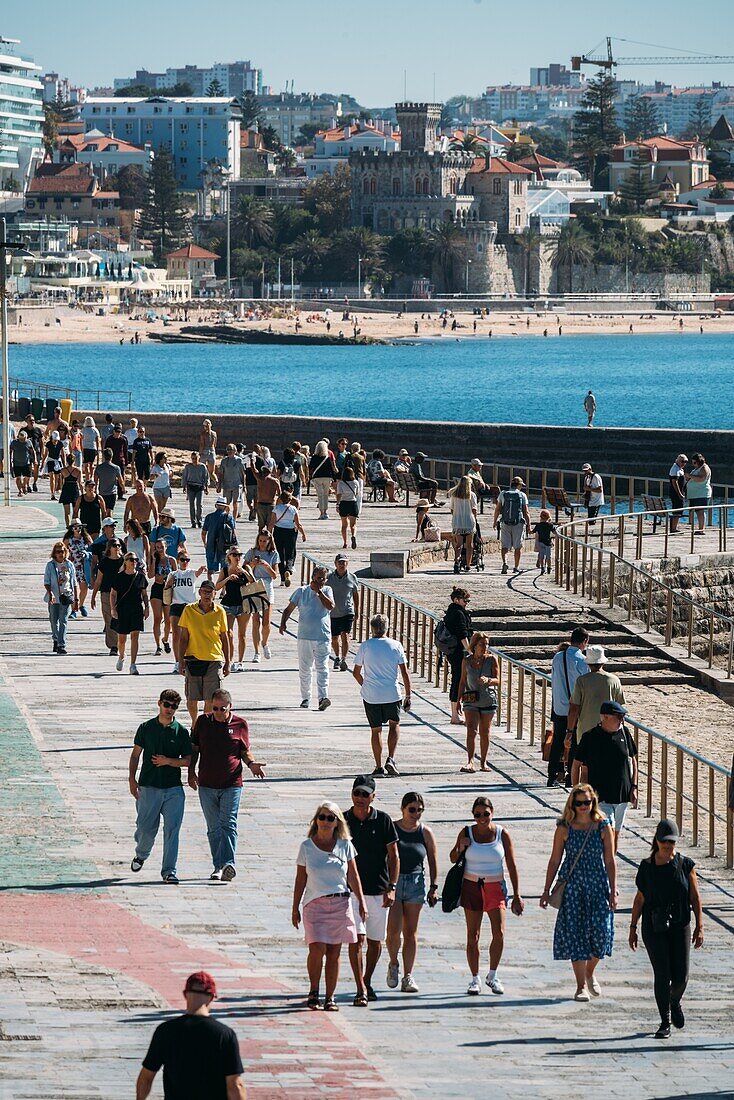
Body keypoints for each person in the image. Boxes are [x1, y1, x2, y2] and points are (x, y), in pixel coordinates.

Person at [540, 784, 617, 1001]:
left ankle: (590, 971)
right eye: (579, 803)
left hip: (598, 884)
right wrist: (546, 890)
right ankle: (580, 985)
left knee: (602, 932)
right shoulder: (564, 827)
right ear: (572, 804)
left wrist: (613, 889)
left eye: (587, 802)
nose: (583, 806)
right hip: (573, 886)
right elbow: (555, 859)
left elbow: (610, 860)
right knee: (576, 934)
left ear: (593, 802)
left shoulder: (603, 826)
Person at [629, 819, 704, 1039]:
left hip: (680, 923)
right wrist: (633, 927)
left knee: (681, 976)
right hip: (654, 925)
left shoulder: (686, 865)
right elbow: (639, 898)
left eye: (671, 842)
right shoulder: (647, 867)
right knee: (662, 974)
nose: (667, 846)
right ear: (657, 841)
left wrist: (700, 925)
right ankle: (665, 1021)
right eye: (664, 842)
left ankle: (674, 1000)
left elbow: (695, 897)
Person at [292, 802, 366, 1011]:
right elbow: (300, 880)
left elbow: (353, 876)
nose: (325, 821)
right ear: (316, 820)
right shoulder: (306, 847)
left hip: (340, 903)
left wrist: (361, 902)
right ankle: (314, 991)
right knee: (316, 949)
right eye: (322, 817)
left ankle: (330, 997)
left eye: (330, 818)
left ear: (337, 822)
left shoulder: (345, 845)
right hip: (314, 905)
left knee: (334, 953)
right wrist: (294, 907)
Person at [189, 688, 265, 882]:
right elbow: (195, 749)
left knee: (228, 824)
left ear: (230, 706)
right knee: (213, 828)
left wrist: (252, 764)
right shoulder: (203, 722)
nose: (219, 712)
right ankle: (218, 866)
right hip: (206, 783)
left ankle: (228, 863)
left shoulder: (240, 724)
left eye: (223, 709)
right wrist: (190, 772)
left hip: (232, 783)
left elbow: (244, 751)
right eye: (215, 708)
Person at [451, 796, 524, 996]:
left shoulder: (502, 834)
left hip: (495, 887)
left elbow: (512, 864)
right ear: (473, 815)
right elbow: (452, 857)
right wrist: (461, 847)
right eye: (477, 815)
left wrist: (517, 894)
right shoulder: (466, 832)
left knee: (499, 932)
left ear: (492, 813)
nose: (482, 818)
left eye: (485, 814)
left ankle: (492, 975)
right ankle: (475, 978)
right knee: (472, 935)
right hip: (471, 886)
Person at [137, 969, 245, 1099]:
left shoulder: (165, 1031)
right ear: (211, 997)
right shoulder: (224, 1034)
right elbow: (235, 1085)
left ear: (185, 995)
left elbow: (146, 1078)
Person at [345, 775, 400, 1005]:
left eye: (365, 794)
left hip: (378, 890)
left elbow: (394, 856)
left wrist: (392, 887)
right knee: (356, 939)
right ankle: (360, 988)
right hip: (350, 892)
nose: (360, 798)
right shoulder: (342, 819)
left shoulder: (383, 820)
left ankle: (366, 980)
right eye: (357, 793)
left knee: (375, 941)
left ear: (373, 797)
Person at [128, 689, 192, 885]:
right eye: (167, 705)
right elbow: (135, 755)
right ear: (159, 703)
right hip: (149, 787)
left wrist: (169, 762)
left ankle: (169, 871)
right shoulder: (146, 727)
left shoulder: (181, 731)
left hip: (173, 789)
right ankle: (141, 854)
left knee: (172, 830)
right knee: (146, 829)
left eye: (174, 706)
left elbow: (188, 761)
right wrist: (132, 779)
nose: (169, 709)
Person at [385, 792, 438, 994]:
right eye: (412, 810)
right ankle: (393, 962)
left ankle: (408, 975)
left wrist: (434, 887)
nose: (416, 814)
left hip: (416, 883)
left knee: (410, 932)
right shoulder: (393, 828)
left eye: (419, 810)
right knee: (393, 932)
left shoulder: (425, 832)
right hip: (395, 883)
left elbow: (432, 860)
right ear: (403, 809)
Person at [573, 700, 638, 850]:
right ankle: (605, 866)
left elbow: (633, 760)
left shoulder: (624, 732)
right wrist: (577, 792)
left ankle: (609, 869)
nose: (622, 720)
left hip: (622, 796)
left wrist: (634, 787)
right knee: (606, 833)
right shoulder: (590, 737)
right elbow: (576, 765)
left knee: (615, 837)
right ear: (605, 718)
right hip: (600, 797)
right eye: (619, 716)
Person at [353, 613, 411, 777]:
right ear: (387, 628)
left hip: (371, 694)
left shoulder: (366, 646)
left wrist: (366, 684)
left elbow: (356, 672)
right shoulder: (396, 645)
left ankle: (378, 766)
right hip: (391, 692)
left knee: (375, 730)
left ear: (372, 628)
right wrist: (408, 695)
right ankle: (391, 758)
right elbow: (404, 673)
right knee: (394, 724)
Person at [566, 644, 626, 779]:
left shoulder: (582, 681)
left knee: (585, 768)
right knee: (606, 767)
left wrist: (569, 731)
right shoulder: (614, 680)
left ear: (588, 663)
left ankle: (585, 797)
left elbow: (574, 708)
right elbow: (620, 707)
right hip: (609, 729)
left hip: (586, 730)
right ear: (603, 662)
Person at [279, 565, 334, 710]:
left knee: (322, 668)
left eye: (323, 578)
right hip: (305, 636)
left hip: (322, 636)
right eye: (319, 578)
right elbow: (288, 609)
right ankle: (305, 697)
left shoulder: (327, 591)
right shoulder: (301, 591)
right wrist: (283, 623)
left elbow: (330, 606)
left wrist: (320, 592)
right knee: (305, 668)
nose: (321, 581)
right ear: (313, 577)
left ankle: (323, 697)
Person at [178, 580, 231, 724]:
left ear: (215, 594)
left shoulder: (219, 611)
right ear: (199, 592)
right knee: (192, 698)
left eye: (210, 592)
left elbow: (225, 637)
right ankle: (195, 724)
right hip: (193, 658)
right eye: (204, 591)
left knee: (210, 698)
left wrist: (228, 662)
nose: (207, 595)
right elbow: (183, 638)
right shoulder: (189, 610)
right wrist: (180, 660)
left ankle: (205, 726)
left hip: (213, 659)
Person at [548, 627, 589, 788]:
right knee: (574, 743)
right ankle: (571, 779)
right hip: (575, 707)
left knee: (558, 741)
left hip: (559, 706)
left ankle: (551, 776)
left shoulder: (558, 657)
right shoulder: (581, 659)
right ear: (584, 642)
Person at [456, 632, 499, 773]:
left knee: (485, 732)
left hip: (488, 699)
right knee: (471, 731)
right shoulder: (466, 660)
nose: (485, 647)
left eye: (487, 644)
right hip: (470, 699)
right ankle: (470, 761)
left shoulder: (492, 660)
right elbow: (462, 681)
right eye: (482, 644)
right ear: (474, 645)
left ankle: (484, 762)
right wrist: (458, 701)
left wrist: (489, 680)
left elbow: (498, 680)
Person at [164, 549, 207, 674]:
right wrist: (169, 583)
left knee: (190, 633)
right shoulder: (173, 574)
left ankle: (189, 658)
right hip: (176, 605)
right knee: (176, 634)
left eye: (187, 560)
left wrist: (202, 569)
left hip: (190, 606)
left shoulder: (191, 573)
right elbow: (166, 587)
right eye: (182, 560)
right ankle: (177, 662)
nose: (185, 562)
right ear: (178, 561)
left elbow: (198, 573)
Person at [215, 546, 255, 672]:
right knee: (228, 634)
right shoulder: (225, 570)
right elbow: (216, 587)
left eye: (239, 555)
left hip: (244, 604)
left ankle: (240, 661)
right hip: (229, 604)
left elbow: (253, 582)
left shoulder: (246, 567)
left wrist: (243, 572)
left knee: (242, 634)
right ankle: (229, 660)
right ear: (229, 557)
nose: (237, 557)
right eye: (234, 555)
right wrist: (228, 578)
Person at [242, 529, 279, 662]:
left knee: (266, 622)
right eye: (261, 541)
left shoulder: (273, 554)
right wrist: (252, 564)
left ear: (269, 541)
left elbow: (275, 575)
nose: (262, 543)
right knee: (255, 620)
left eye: (265, 541)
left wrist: (266, 565)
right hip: (254, 585)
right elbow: (243, 569)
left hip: (267, 585)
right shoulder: (252, 552)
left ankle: (265, 643)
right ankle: (257, 651)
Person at [111, 550, 149, 675]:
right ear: (125, 562)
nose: (134, 562)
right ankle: (121, 656)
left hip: (136, 609)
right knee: (121, 639)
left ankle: (133, 664)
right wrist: (113, 608)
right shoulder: (119, 576)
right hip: (123, 609)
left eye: (135, 560)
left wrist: (147, 607)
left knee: (135, 636)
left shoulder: (140, 576)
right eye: (131, 560)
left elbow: (144, 594)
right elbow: (113, 594)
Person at [442, 586, 473, 725]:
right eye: (465, 600)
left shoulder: (452, 611)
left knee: (458, 680)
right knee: (458, 681)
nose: (467, 603)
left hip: (453, 652)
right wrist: (471, 652)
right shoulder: (458, 613)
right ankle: (455, 715)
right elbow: (462, 635)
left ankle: (457, 713)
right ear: (456, 600)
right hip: (459, 653)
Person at [43, 541, 79, 655]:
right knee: (54, 620)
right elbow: (47, 581)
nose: (60, 554)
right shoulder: (50, 565)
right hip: (54, 597)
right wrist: (50, 593)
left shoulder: (69, 565)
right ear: (54, 553)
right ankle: (56, 639)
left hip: (66, 596)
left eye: (62, 551)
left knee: (63, 620)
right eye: (58, 552)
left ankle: (61, 644)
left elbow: (74, 582)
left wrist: (76, 599)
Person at [90, 534, 123, 655]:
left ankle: (120, 643)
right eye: (114, 545)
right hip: (106, 593)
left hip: (120, 594)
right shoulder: (104, 562)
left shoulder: (123, 561)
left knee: (119, 618)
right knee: (109, 619)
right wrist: (93, 597)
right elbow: (99, 580)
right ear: (109, 547)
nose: (117, 547)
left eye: (119, 545)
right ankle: (113, 646)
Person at [327, 553, 360, 671]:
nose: (342, 565)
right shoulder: (329, 578)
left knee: (345, 635)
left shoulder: (352, 577)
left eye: (344, 562)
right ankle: (337, 656)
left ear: (347, 563)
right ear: (335, 564)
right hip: (333, 612)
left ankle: (344, 659)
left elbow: (355, 594)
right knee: (334, 637)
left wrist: (357, 609)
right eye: (339, 562)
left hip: (347, 611)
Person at [493, 476, 531, 575]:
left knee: (505, 546)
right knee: (518, 546)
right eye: (521, 485)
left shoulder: (503, 493)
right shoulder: (522, 495)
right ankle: (516, 567)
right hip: (518, 523)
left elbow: (497, 509)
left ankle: (505, 563)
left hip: (505, 522)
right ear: (518, 485)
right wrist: (529, 525)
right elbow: (526, 512)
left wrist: (494, 521)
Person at [269, 488, 305, 588]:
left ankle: (283, 579)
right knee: (290, 553)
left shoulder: (276, 508)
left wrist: (268, 533)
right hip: (290, 532)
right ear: (290, 499)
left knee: (279, 554)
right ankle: (289, 569)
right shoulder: (293, 509)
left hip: (278, 531)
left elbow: (271, 523)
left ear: (280, 499)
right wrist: (303, 534)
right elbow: (298, 524)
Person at [149, 539, 176, 657]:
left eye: (162, 546)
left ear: (166, 547)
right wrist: (154, 561)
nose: (160, 549)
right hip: (157, 588)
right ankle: (158, 646)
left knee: (168, 619)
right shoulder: (154, 559)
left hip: (168, 590)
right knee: (157, 618)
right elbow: (150, 575)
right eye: (158, 547)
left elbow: (176, 574)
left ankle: (165, 639)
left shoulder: (171, 560)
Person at [202, 496, 237, 579]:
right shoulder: (229, 517)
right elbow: (233, 532)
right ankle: (223, 589)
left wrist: (205, 543)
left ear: (216, 506)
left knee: (210, 570)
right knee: (224, 569)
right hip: (224, 546)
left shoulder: (209, 517)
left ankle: (211, 586)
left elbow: (203, 533)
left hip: (211, 545)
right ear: (225, 506)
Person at [448, 475, 477, 571]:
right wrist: (475, 520)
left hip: (458, 522)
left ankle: (456, 560)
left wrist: (456, 516)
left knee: (459, 544)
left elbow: (451, 509)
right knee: (469, 544)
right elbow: (474, 510)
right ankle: (468, 565)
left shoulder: (454, 494)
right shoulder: (471, 495)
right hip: (469, 521)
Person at [63, 521, 92, 619]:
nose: (78, 530)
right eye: (75, 528)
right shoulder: (68, 540)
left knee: (84, 587)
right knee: (72, 588)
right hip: (72, 566)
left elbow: (92, 550)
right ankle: (73, 609)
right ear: (71, 529)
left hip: (84, 566)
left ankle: (81, 604)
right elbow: (63, 551)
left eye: (79, 527)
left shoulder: (87, 538)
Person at [250, 452, 280, 530]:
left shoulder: (260, 479)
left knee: (261, 526)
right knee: (270, 526)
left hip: (260, 504)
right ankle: (270, 540)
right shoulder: (275, 481)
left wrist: (252, 459)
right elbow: (280, 494)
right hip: (271, 505)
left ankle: (259, 540)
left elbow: (253, 469)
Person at [685, 452, 712, 535]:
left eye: (695, 462)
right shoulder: (696, 469)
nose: (693, 464)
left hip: (701, 493)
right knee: (695, 511)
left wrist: (690, 476)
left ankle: (701, 529)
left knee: (700, 511)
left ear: (699, 461)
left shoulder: (704, 468)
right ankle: (697, 527)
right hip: (694, 494)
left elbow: (702, 479)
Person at [182, 450, 210, 529]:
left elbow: (206, 477)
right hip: (190, 486)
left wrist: (206, 487)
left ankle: (199, 521)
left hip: (199, 487)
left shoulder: (202, 466)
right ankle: (193, 521)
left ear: (199, 458)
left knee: (199, 505)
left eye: (196, 458)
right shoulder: (188, 466)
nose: (194, 460)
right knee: (191, 505)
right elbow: (184, 477)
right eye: (193, 458)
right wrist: (184, 487)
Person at [93, 447, 125, 517]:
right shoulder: (116, 468)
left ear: (104, 456)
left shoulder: (99, 467)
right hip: (112, 493)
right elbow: (120, 480)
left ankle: (104, 526)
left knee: (103, 511)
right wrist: (123, 489)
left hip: (102, 492)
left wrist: (94, 490)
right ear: (112, 456)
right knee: (110, 510)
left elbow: (95, 480)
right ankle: (109, 525)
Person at [217, 444, 246, 519]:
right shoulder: (224, 461)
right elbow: (221, 474)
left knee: (235, 503)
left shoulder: (239, 460)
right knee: (226, 503)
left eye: (231, 449)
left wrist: (244, 485)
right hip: (227, 485)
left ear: (235, 451)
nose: (229, 451)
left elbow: (243, 474)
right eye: (228, 449)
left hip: (237, 484)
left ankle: (234, 520)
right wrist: (219, 485)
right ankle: (227, 518)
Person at [336, 464, 361, 549]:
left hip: (344, 503)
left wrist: (337, 504)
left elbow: (339, 495)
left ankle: (345, 543)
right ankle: (353, 535)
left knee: (344, 525)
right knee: (353, 525)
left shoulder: (341, 483)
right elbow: (357, 493)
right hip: (353, 503)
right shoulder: (356, 482)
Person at [10, 430, 35, 496]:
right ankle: (20, 491)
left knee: (27, 476)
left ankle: (24, 485)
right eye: (22, 439)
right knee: (18, 478)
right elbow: (10, 451)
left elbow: (32, 451)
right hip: (16, 463)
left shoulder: (28, 442)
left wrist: (35, 460)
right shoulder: (14, 442)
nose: (24, 440)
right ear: (19, 438)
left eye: (25, 439)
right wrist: (9, 461)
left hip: (26, 463)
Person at [668, 453, 688, 533]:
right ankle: (673, 528)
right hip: (676, 494)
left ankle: (674, 527)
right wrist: (679, 493)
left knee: (678, 510)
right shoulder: (675, 469)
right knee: (677, 510)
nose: (684, 463)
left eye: (685, 461)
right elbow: (674, 482)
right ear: (677, 460)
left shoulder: (679, 468)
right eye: (682, 461)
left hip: (678, 493)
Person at [531, 508, 555, 573]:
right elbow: (554, 532)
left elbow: (532, 532)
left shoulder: (538, 525)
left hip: (541, 542)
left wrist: (528, 529)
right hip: (548, 543)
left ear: (540, 517)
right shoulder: (550, 525)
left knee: (542, 556)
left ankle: (542, 568)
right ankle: (549, 568)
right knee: (548, 556)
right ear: (548, 517)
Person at [42, 430, 64, 499]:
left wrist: (64, 463)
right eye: (54, 440)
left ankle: (55, 490)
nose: (55, 441)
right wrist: (43, 462)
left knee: (57, 477)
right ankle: (52, 493)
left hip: (57, 461)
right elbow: (45, 454)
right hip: (50, 460)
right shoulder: (48, 444)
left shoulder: (60, 444)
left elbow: (63, 454)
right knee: (52, 476)